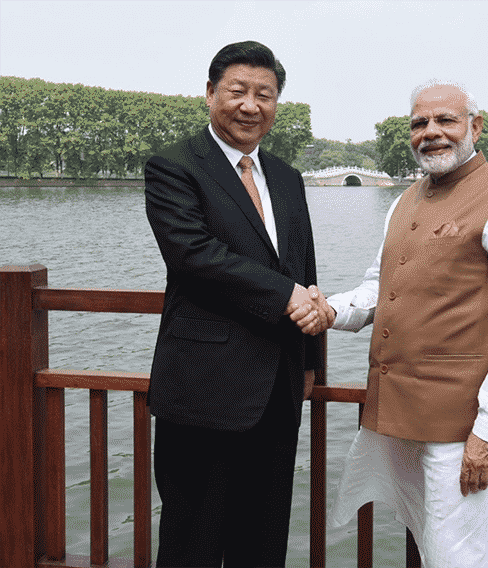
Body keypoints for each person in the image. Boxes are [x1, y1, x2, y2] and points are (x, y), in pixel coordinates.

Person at [292, 80, 488, 567]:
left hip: (463, 424)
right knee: (441, 545)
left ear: (475, 127)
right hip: (400, 415)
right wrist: (328, 311)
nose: (431, 132)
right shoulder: (405, 199)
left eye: (445, 120)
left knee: (466, 554)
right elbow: (380, 287)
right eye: (419, 123)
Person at [145, 40, 334, 568]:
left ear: (276, 104)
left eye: (264, 95)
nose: (251, 105)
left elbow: (304, 269)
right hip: (202, 389)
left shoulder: (287, 177)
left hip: (279, 388)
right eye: (238, 91)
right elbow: (194, 256)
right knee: (192, 543)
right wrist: (287, 295)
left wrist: (310, 361)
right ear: (210, 94)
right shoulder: (173, 166)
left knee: (264, 540)